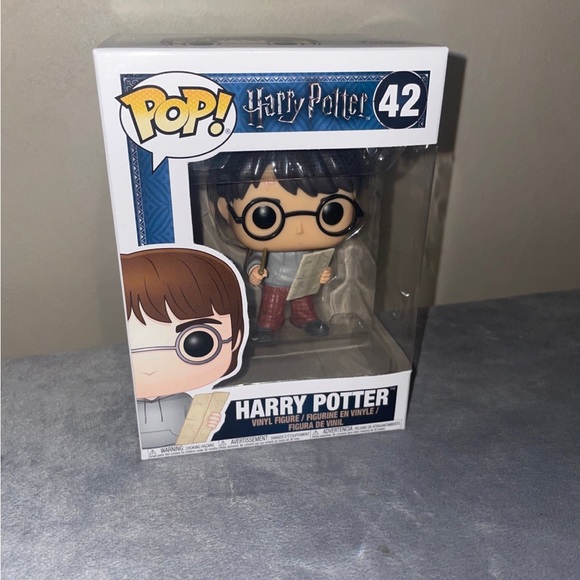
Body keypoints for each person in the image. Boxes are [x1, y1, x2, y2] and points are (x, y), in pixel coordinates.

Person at [209, 149, 365, 344]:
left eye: (331, 212)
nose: (299, 228)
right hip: (275, 281)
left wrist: (324, 272)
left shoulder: (311, 246)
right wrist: (254, 270)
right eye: (265, 215)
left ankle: (305, 320)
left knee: (304, 306)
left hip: (303, 280)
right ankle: (267, 327)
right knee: (271, 308)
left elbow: (320, 260)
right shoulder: (265, 248)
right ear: (225, 209)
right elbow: (256, 258)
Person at [121, 247, 246, 448]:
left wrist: (210, 422)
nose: (150, 368)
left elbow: (196, 424)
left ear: (236, 339)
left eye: (197, 343)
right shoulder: (124, 403)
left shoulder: (184, 401)